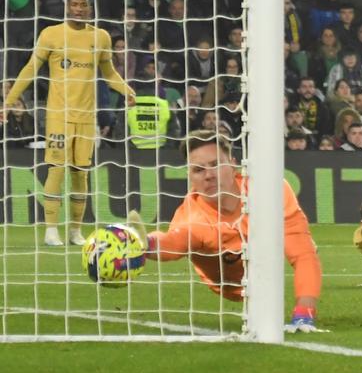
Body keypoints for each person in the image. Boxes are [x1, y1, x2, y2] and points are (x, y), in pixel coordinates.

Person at [130, 130, 323, 333]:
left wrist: (304, 314)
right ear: (190, 176)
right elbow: (173, 242)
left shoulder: (270, 191)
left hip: (265, 271)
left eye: (216, 164)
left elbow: (302, 254)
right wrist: (144, 243)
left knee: (307, 248)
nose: (209, 176)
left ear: (232, 164)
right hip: (227, 284)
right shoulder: (193, 218)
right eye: (198, 170)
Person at [2, 0, 137, 246]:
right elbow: (31, 68)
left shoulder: (101, 37)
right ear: (67, 7)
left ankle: (75, 231)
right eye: (74, 4)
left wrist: (127, 90)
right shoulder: (51, 34)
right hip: (59, 116)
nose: (78, 9)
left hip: (87, 117)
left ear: (89, 9)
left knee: (81, 173)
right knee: (56, 169)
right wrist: (8, 102)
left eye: (83, 5)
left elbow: (108, 73)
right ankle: (51, 229)